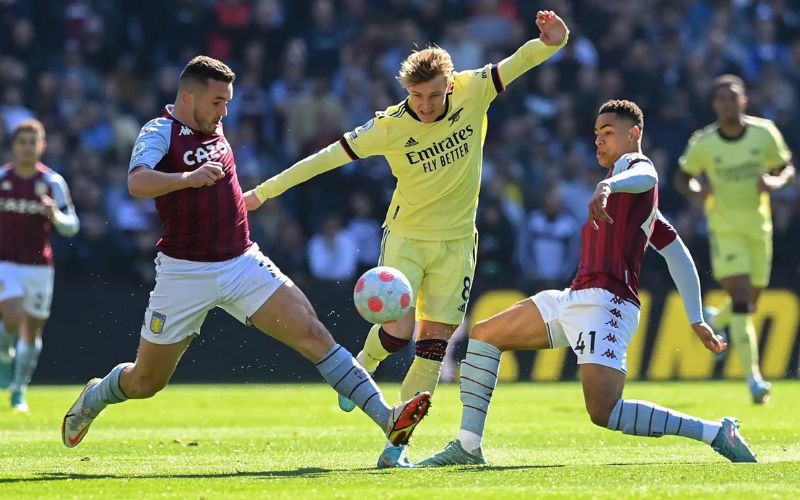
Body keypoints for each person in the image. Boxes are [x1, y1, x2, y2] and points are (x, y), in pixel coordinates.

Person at [244, 10, 569, 468]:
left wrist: (552, 42)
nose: (426, 105)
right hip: (408, 238)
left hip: (457, 244)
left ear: (450, 85)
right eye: (416, 95)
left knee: (433, 348)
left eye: (434, 95)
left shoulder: (474, 90)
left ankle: (396, 447)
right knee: (397, 330)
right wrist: (262, 193)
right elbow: (322, 160)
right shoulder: (389, 125)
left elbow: (519, 61)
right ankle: (365, 363)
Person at [61, 55, 431, 449]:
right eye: (218, 101)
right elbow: (136, 183)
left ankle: (387, 419)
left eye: (227, 102)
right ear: (188, 97)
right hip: (184, 273)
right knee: (147, 382)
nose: (224, 111)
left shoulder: (215, 128)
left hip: (242, 261)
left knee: (313, 332)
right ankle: (96, 396)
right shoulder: (160, 131)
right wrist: (187, 178)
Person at [418, 100, 758, 467]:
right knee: (484, 335)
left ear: (634, 134)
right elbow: (678, 255)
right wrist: (696, 318)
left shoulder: (632, 170)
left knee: (605, 412)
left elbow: (648, 174)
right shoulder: (641, 206)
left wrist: (608, 183)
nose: (598, 141)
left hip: (608, 304)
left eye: (608, 133)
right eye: (596, 134)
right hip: (574, 297)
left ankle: (715, 432)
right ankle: (467, 447)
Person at [676, 74, 794, 404]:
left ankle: (717, 318)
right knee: (743, 300)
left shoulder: (764, 133)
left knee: (750, 301)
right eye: (721, 99)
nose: (728, 104)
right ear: (715, 105)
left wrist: (775, 182)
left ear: (744, 101)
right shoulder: (703, 143)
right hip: (725, 231)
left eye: (733, 98)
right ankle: (754, 380)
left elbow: (787, 167)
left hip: (759, 229)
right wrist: (698, 191)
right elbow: (682, 178)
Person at [0, 119, 79, 411]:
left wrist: (54, 216)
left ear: (42, 146)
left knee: (31, 331)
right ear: (13, 146)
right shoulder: (2, 179)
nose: (27, 148)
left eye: (32, 142)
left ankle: (19, 389)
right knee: (12, 317)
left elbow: (72, 226)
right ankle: (5, 356)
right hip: (5, 261)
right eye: (22, 142)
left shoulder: (52, 183)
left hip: (39, 265)